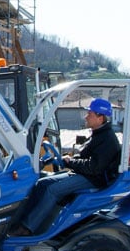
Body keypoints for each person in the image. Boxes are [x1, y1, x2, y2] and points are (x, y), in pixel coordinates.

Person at [9, 97, 122, 236]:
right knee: (41, 183)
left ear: (100, 117)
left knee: (52, 190)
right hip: (86, 174)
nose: (86, 117)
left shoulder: (107, 139)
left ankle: (27, 228)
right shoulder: (98, 135)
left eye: (90, 114)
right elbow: (86, 159)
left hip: (94, 179)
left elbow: (94, 168)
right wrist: (69, 159)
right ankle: (23, 221)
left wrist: (70, 162)